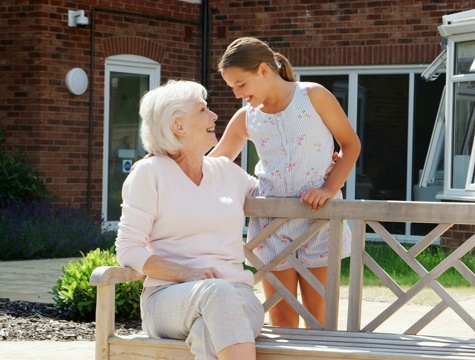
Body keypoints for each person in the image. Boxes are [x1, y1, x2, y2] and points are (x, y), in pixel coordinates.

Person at [210, 37, 361, 328]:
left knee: (321, 322)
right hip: (270, 224)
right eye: (232, 88)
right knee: (282, 323)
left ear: (264, 70)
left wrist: (329, 189)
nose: (238, 94)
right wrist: (168, 158)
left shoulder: (313, 96)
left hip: (318, 219)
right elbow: (215, 163)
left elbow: (350, 144)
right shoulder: (246, 117)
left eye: (241, 84)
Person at [115, 79, 264, 360]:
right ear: (178, 126)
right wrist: (190, 274)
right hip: (169, 299)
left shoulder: (227, 172)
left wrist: (322, 170)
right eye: (203, 110)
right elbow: (128, 249)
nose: (214, 116)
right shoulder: (150, 173)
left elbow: (276, 193)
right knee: (215, 293)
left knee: (208, 329)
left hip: (239, 297)